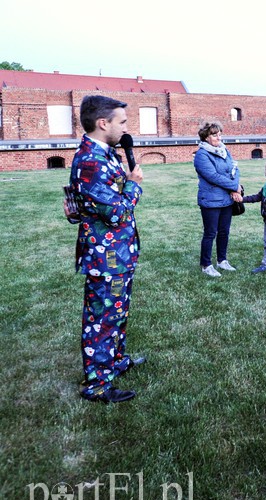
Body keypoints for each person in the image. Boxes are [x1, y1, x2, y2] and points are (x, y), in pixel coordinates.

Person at [69, 95, 145, 403]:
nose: (126, 128)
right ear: (103, 123)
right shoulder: (90, 161)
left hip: (119, 253)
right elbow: (117, 213)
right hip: (105, 256)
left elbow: (80, 205)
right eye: (122, 122)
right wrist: (134, 184)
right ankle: (98, 385)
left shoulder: (104, 152)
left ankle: (115, 362)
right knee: (102, 321)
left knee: (117, 314)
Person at [195, 121, 242, 277]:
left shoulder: (224, 150)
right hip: (210, 200)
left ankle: (222, 261)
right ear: (206, 137)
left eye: (220, 134)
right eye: (215, 135)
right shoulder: (202, 155)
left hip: (226, 200)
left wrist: (236, 186)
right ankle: (206, 264)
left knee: (224, 232)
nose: (218, 137)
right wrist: (234, 187)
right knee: (210, 233)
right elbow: (213, 176)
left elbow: (234, 168)